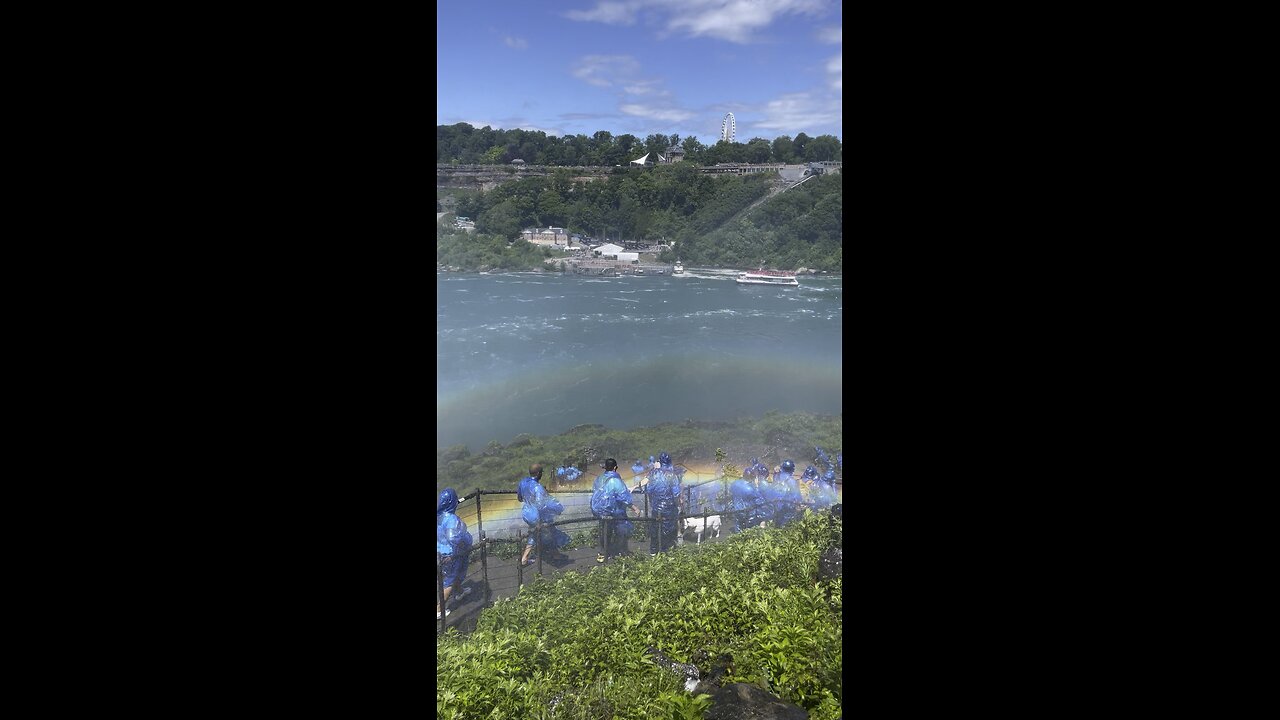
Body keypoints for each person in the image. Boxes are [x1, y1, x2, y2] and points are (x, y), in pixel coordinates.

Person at [518, 464, 569, 566]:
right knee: (549, 532)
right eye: (541, 472)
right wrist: (554, 507)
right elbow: (541, 505)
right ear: (538, 474)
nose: (541, 474)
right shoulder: (538, 488)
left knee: (535, 533)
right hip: (536, 516)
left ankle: (524, 559)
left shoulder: (523, 482)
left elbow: (520, 498)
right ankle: (554, 554)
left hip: (527, 513)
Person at [590, 458, 638, 562]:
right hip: (615, 511)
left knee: (604, 531)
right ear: (615, 468)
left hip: (602, 510)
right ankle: (622, 551)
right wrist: (634, 508)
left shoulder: (599, 478)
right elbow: (623, 497)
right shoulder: (616, 480)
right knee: (621, 530)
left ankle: (602, 554)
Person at [436, 488, 474, 620]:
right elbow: (454, 538)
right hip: (452, 555)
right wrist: (465, 541)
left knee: (452, 576)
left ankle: (459, 592)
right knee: (449, 581)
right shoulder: (451, 519)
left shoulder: (438, 516)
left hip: (440, 553)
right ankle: (439, 610)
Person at [638, 451, 682, 556]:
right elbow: (676, 493)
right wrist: (678, 505)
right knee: (668, 530)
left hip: (656, 507)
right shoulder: (672, 475)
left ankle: (653, 551)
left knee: (655, 529)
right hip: (669, 507)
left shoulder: (653, 473)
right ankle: (665, 551)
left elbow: (642, 484)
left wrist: (635, 487)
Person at [729, 466, 770, 533]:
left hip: (736, 509)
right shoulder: (750, 488)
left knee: (738, 526)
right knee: (749, 529)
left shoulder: (735, 483)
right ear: (752, 477)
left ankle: (737, 538)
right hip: (748, 512)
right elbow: (760, 500)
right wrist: (757, 487)